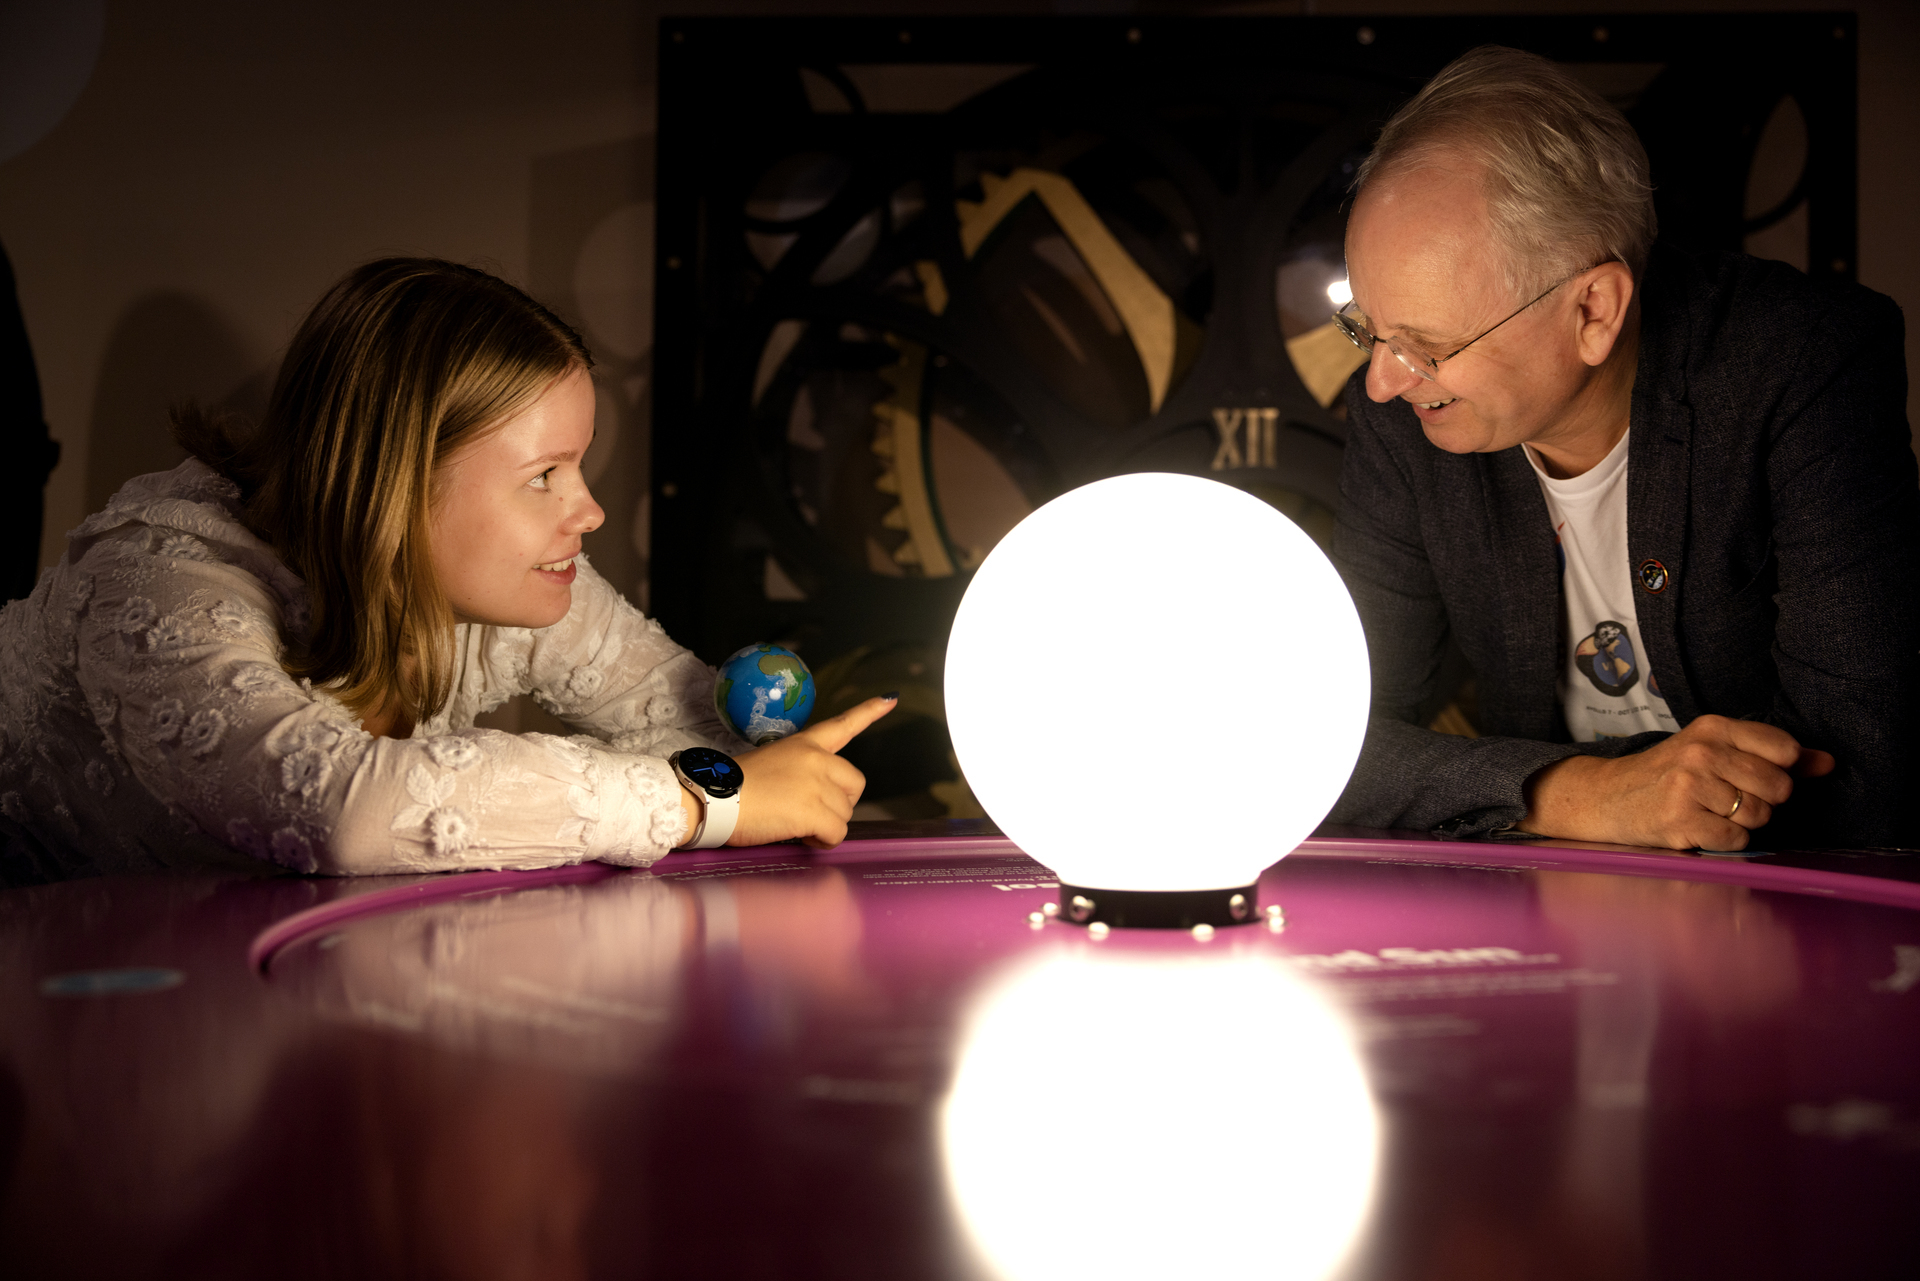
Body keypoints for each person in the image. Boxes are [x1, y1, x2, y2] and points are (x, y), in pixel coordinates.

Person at [0, 258, 892, 882]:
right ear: (397, 483)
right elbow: (340, 808)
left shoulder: (514, 580)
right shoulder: (155, 585)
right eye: (543, 476)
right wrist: (705, 803)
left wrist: (743, 774)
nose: (588, 511)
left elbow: (697, 735)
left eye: (579, 464)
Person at [1328, 46, 1920, 851]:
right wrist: (1583, 796)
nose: (1381, 382)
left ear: (1595, 310)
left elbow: (1860, 769)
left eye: (1427, 345)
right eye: (1366, 328)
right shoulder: (1403, 419)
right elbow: (1329, 742)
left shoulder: (1803, 360)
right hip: (1540, 890)